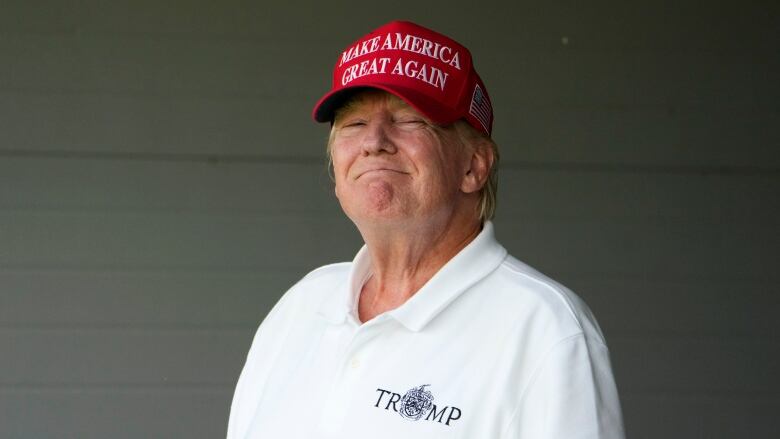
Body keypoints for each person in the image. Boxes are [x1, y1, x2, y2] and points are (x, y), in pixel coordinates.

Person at [227, 20, 625, 439]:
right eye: (354, 123)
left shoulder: (545, 329)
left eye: (409, 120)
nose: (374, 141)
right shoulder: (301, 307)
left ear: (474, 165)